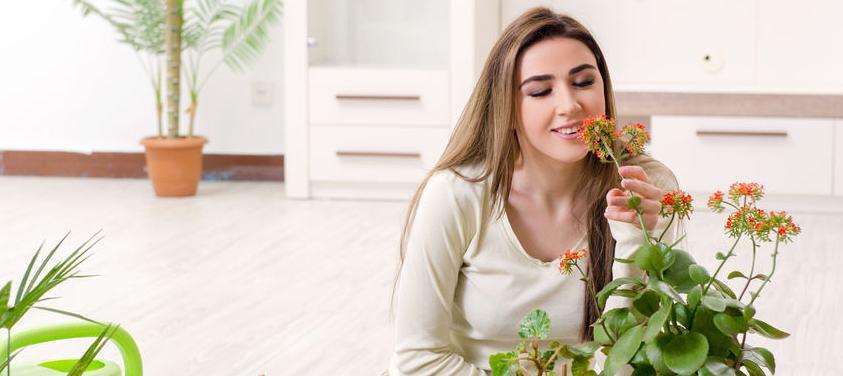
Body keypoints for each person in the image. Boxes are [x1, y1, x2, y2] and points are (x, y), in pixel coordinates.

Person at [389, 7, 679, 376]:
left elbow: (637, 353)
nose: (570, 105)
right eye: (540, 91)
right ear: (507, 109)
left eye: (584, 82)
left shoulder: (646, 188)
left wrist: (637, 242)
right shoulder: (457, 194)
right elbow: (419, 358)